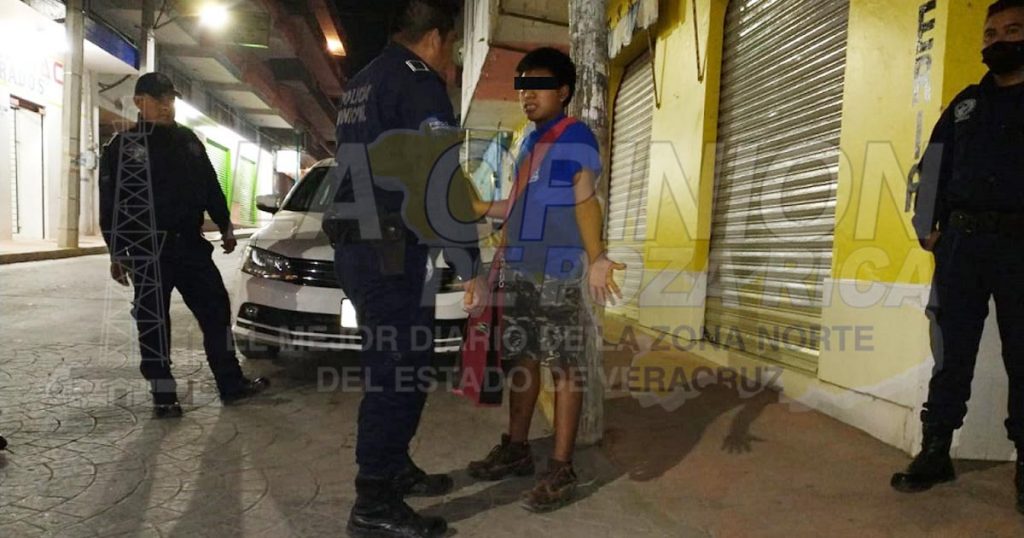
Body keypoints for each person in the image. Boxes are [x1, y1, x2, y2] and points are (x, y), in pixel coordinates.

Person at [320, 1, 483, 536]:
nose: (452, 56)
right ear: (436, 38)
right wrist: (471, 267)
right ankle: (373, 504)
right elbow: (438, 182)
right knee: (397, 373)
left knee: (401, 365)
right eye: (454, 46)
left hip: (364, 245)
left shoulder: (366, 80)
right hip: (386, 251)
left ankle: (394, 470)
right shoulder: (419, 84)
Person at [463, 47, 625, 513]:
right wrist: (481, 213)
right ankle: (517, 448)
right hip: (519, 270)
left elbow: (584, 199)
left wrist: (597, 257)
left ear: (563, 91)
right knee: (523, 361)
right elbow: (516, 206)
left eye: (536, 86)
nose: (526, 95)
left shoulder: (576, 137)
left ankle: (560, 466)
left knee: (564, 366)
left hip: (558, 272)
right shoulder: (531, 143)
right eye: (522, 86)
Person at [894, 0, 1024, 514]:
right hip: (963, 247)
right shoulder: (966, 104)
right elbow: (932, 165)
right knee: (951, 353)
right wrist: (927, 229)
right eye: (991, 33)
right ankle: (935, 450)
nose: (998, 40)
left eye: (1013, 30)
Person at [99, 72, 269, 419]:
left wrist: (225, 225)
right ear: (138, 102)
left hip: (191, 247)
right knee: (153, 324)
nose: (166, 106)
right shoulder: (123, 146)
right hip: (147, 251)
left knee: (216, 312)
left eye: (170, 99)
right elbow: (110, 202)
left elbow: (210, 184)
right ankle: (164, 397)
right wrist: (116, 251)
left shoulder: (188, 140)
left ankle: (231, 385)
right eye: (158, 99)